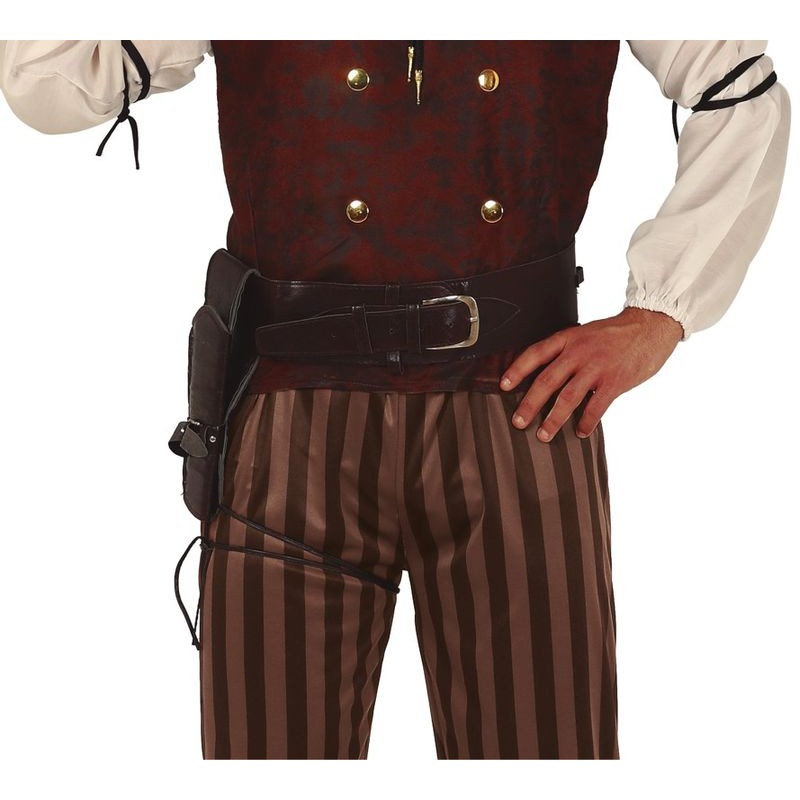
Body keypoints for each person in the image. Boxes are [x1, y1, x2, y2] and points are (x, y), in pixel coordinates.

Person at [0, 39, 790, 760]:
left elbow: (737, 84)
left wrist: (659, 315)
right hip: (292, 414)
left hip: (520, 404)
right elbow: (48, 78)